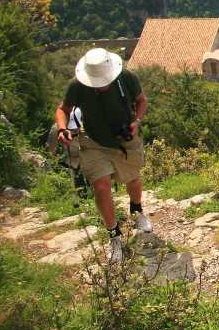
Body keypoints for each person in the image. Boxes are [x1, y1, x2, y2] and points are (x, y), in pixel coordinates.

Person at [56, 47, 151, 263]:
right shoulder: (78, 86)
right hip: (93, 141)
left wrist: (136, 122)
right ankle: (114, 234)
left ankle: (136, 210)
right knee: (101, 186)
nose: (101, 85)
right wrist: (62, 128)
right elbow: (63, 109)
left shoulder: (126, 77)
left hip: (125, 140)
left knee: (133, 179)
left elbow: (142, 100)